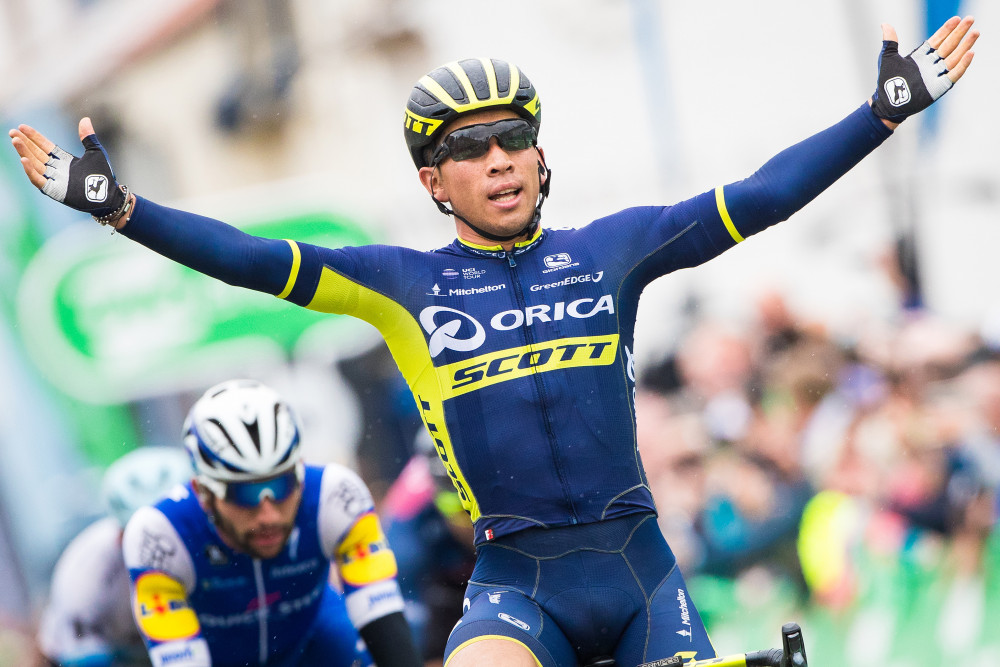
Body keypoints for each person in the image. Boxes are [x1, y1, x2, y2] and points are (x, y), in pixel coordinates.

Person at [9, 16, 978, 667]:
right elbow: (250, 259)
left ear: (541, 152)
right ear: (434, 181)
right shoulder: (400, 284)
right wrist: (119, 207)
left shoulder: (615, 249)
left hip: (638, 567)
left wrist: (881, 112)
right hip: (518, 579)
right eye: (466, 147)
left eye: (513, 134)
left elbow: (763, 198)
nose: (497, 158)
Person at [118, 379, 421, 667]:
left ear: (300, 471)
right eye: (244, 493)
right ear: (203, 492)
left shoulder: (336, 496)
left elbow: (382, 616)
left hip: (316, 644)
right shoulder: (161, 534)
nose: (268, 515)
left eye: (281, 486)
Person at [36, 446, 192, 667]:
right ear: (119, 534)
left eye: (174, 528)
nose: (162, 543)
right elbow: (76, 657)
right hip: (107, 654)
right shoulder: (85, 574)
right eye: (140, 533)